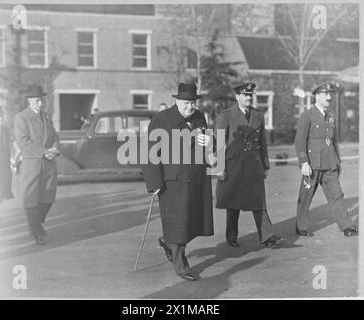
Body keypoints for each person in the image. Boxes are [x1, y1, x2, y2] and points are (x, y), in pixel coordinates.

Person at [142, 83, 214, 281]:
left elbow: (206, 147)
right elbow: (149, 153)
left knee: (189, 222)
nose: (190, 107)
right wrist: (154, 182)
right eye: (186, 103)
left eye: (193, 102)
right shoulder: (162, 120)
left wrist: (209, 143)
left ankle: (168, 243)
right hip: (172, 181)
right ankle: (181, 266)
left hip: (196, 178)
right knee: (179, 221)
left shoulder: (200, 117)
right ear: (176, 101)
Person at [215, 82, 284, 248]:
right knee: (233, 202)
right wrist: (218, 167)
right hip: (234, 164)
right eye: (245, 95)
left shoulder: (258, 115)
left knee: (259, 201)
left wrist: (265, 165)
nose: (248, 98)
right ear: (237, 96)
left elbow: (263, 143)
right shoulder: (226, 115)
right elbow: (217, 142)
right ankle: (231, 236)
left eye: (250, 95)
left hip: (253, 163)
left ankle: (267, 237)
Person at [294, 82, 358, 237]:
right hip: (312, 165)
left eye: (331, 94)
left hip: (330, 164)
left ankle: (347, 226)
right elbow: (299, 141)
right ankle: (301, 226)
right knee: (306, 196)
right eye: (326, 94)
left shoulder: (330, 117)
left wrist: (338, 161)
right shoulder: (307, 116)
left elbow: (334, 142)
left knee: (337, 195)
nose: (329, 97)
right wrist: (304, 162)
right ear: (317, 96)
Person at [14, 85, 60, 245]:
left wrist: (54, 148)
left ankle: (37, 225)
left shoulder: (46, 116)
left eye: (42, 100)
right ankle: (35, 232)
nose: (41, 104)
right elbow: (23, 141)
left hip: (48, 164)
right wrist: (43, 152)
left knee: (48, 197)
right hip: (32, 163)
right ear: (29, 101)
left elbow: (54, 135)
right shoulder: (21, 118)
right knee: (31, 199)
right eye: (37, 101)